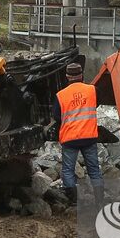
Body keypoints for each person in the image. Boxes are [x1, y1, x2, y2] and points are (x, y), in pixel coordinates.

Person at [52, 62, 103, 206]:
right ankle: (99, 200)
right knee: (94, 169)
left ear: (67, 77)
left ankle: (73, 201)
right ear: (82, 75)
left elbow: (56, 116)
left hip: (70, 138)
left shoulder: (60, 95)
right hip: (89, 136)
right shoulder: (93, 90)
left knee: (68, 170)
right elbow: (96, 104)